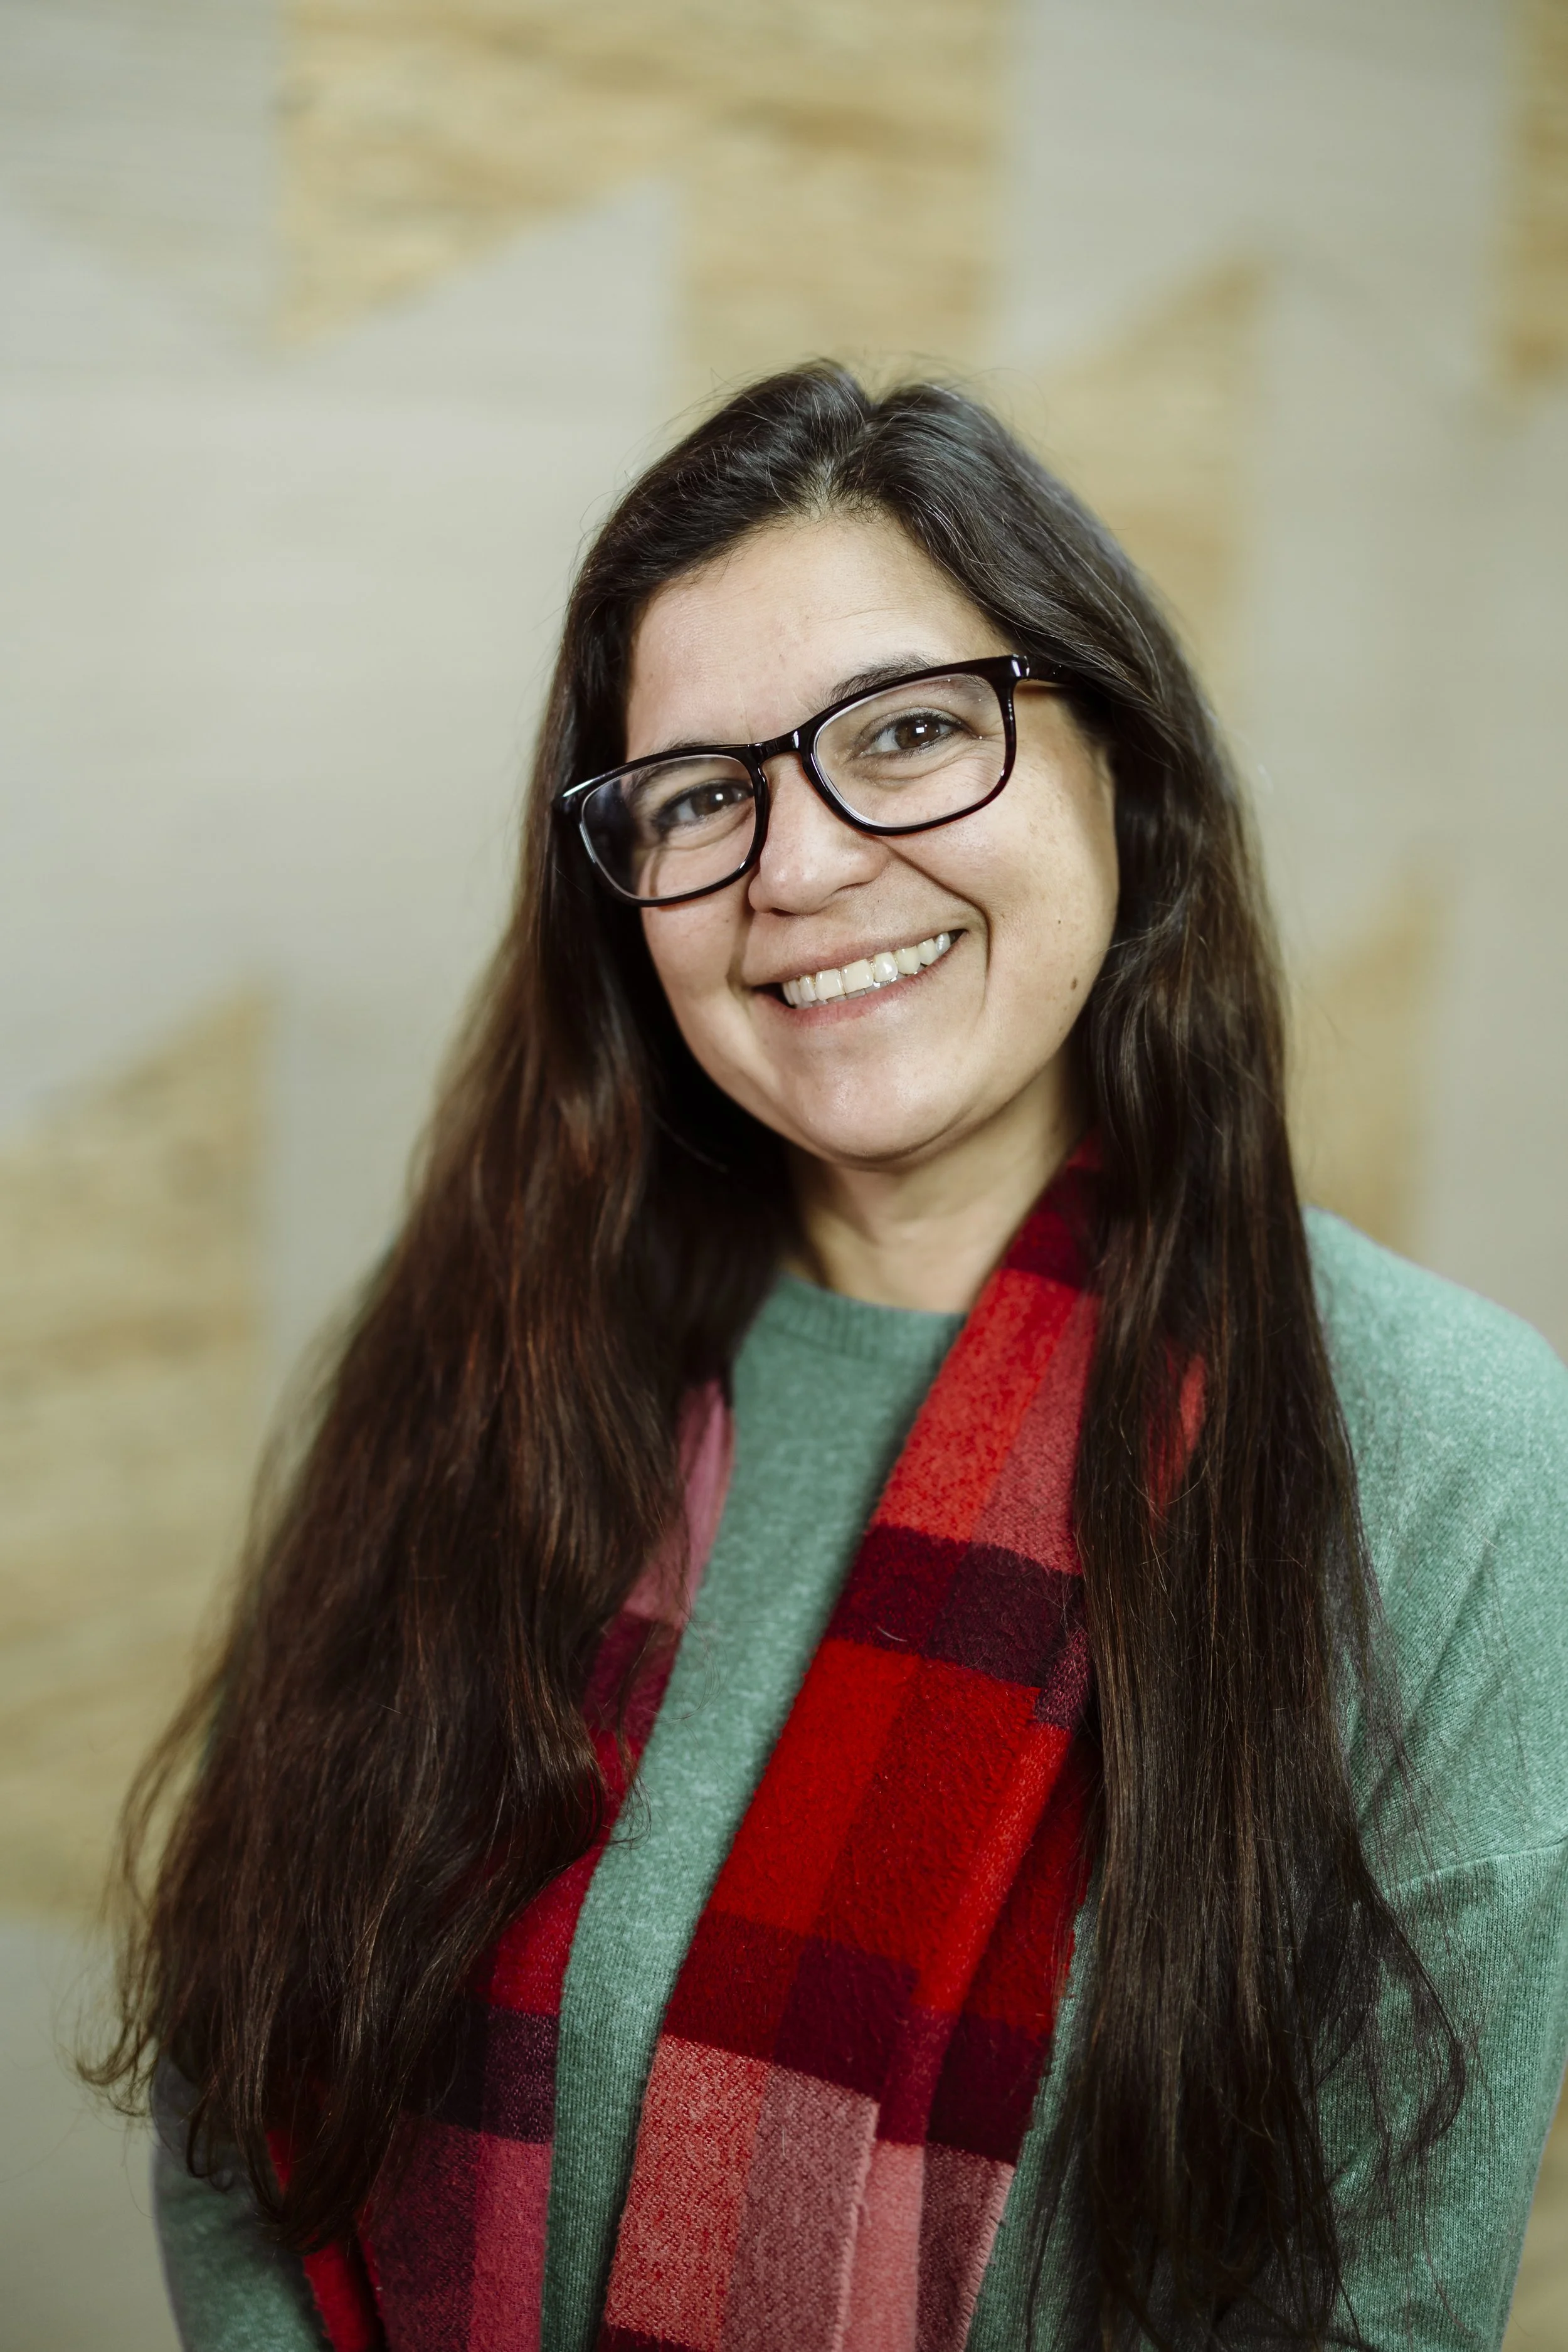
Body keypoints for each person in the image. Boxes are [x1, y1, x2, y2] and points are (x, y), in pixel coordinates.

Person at [93, 368, 1568, 2351]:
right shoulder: (463, 1361)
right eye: (701, 794)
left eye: (906, 734)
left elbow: (1379, 2304)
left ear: (1115, 769)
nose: (797, 868)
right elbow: (244, 2087)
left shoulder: (1453, 1451)